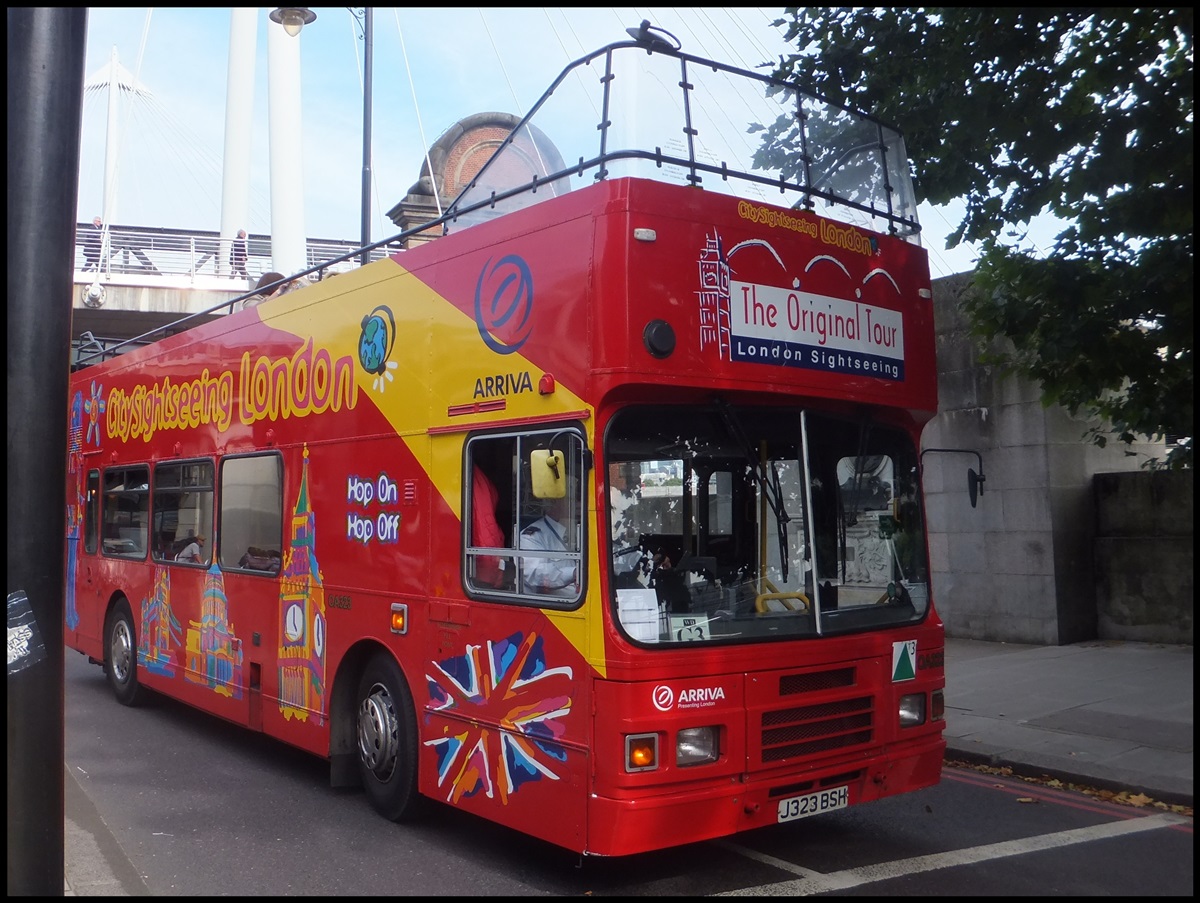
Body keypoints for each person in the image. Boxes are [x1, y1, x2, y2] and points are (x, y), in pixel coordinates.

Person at [520, 493, 577, 596]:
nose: (576, 503)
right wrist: (574, 573)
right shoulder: (531, 536)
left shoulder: (576, 529)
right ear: (554, 502)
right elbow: (536, 573)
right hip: (558, 605)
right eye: (569, 498)